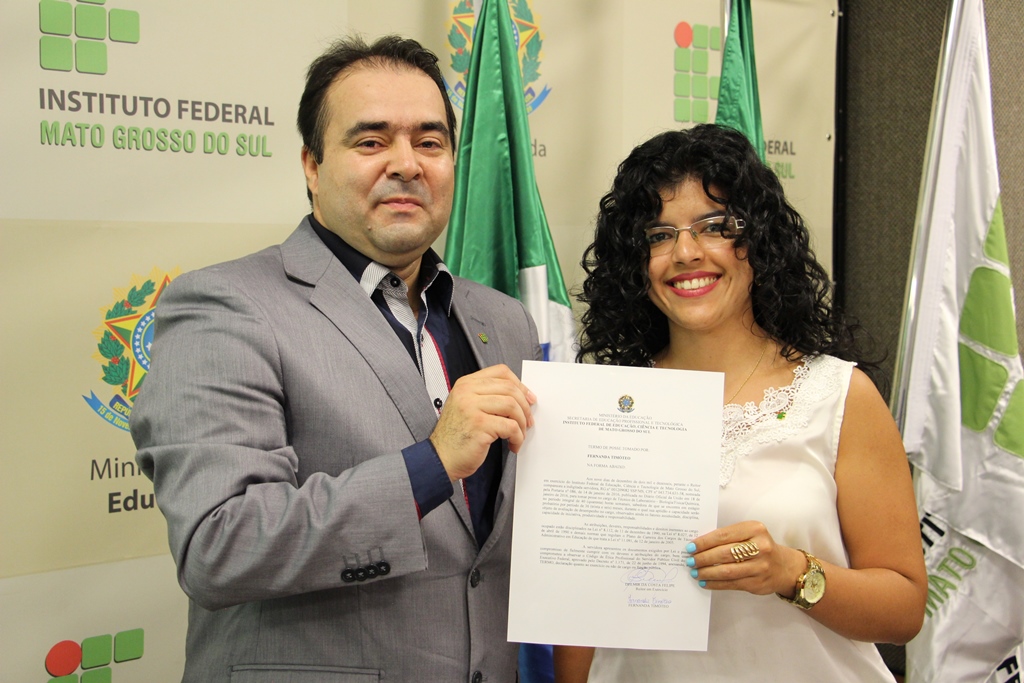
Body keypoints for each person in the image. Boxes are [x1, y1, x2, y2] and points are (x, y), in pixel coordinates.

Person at [131, 35, 540, 683]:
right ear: (312, 166)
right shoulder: (224, 306)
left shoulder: (503, 321)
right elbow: (221, 545)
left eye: (430, 142)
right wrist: (430, 464)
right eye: (371, 141)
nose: (407, 163)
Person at [555, 124, 927, 682]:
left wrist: (792, 573)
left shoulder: (837, 395)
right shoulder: (604, 409)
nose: (684, 253)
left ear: (759, 240)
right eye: (658, 235)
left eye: (714, 227)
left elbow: (903, 609)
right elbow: (580, 616)